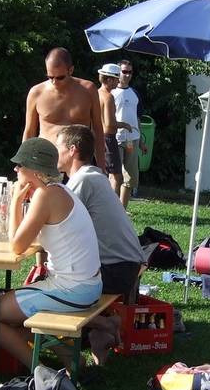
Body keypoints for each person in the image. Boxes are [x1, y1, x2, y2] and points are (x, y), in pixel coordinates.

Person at [0, 137, 103, 370]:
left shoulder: (46, 196)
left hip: (73, 289)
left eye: (20, 165)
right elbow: (22, 239)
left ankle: (40, 371)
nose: (15, 170)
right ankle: (69, 359)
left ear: (34, 170)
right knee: (10, 316)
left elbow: (17, 246)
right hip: (86, 285)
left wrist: (15, 201)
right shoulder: (58, 191)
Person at [56, 124, 145, 302]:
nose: (54, 153)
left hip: (115, 271)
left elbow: (58, 227)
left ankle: (99, 320)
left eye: (58, 147)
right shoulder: (94, 176)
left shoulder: (82, 180)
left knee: (54, 284)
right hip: (128, 266)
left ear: (72, 150)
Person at [23, 47, 104, 170]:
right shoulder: (36, 92)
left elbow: (98, 129)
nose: (55, 82)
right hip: (46, 160)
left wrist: (101, 166)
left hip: (79, 162)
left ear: (71, 70)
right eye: (50, 77)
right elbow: (29, 131)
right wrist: (24, 164)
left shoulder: (88, 90)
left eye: (60, 77)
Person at [114, 59, 141, 207]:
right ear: (118, 72)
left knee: (129, 176)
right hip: (116, 139)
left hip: (131, 140)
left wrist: (141, 142)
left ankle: (122, 210)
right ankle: (112, 209)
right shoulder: (111, 92)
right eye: (124, 72)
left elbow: (138, 118)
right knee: (115, 175)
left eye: (130, 72)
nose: (127, 75)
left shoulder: (135, 93)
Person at [96, 63, 124, 194]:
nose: (118, 82)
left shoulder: (96, 93)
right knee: (116, 177)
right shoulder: (108, 97)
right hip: (108, 138)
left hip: (97, 137)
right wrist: (125, 125)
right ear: (109, 79)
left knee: (101, 174)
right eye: (117, 79)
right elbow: (109, 123)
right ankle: (113, 204)